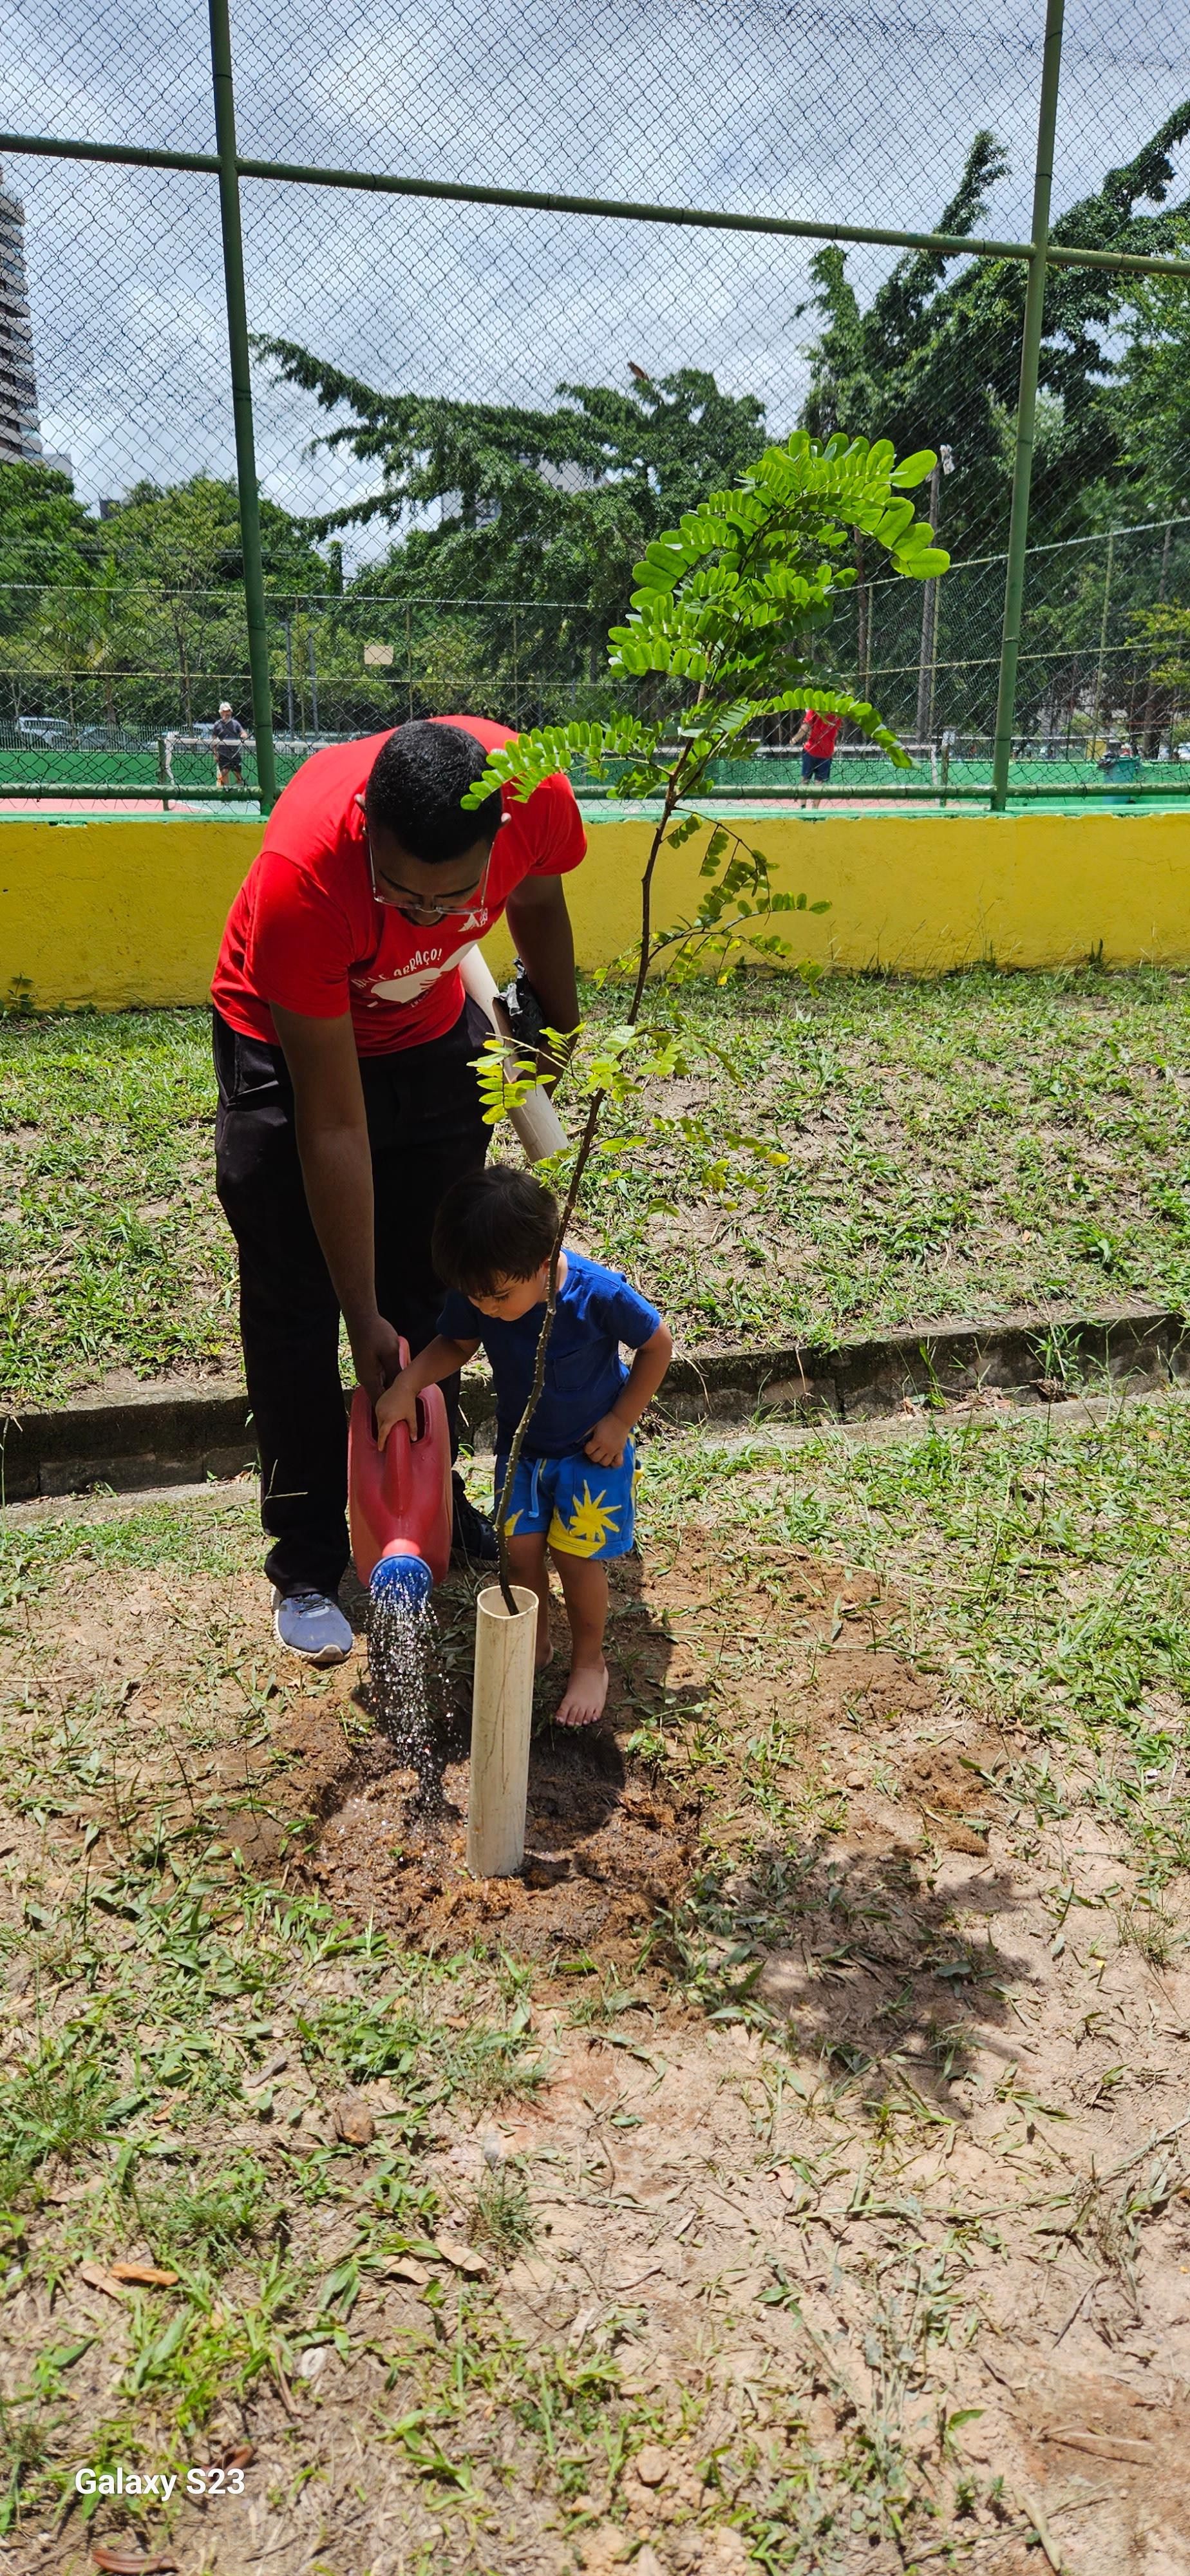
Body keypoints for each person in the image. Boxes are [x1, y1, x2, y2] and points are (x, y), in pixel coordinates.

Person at [211, 717, 584, 1665]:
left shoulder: (532, 792)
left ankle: (428, 1506)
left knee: (437, 1284)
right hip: (286, 1039)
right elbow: (333, 1121)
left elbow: (539, 902)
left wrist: (558, 1028)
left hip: (431, 1030)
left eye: (451, 899)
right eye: (401, 893)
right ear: (366, 824)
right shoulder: (305, 875)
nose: (426, 920)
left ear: (497, 835)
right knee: (297, 1302)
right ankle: (304, 1563)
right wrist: (359, 1308)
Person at [377, 1168, 672, 1727]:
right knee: (519, 1552)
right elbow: (456, 1342)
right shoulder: (485, 1287)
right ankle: (534, 1641)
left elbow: (658, 1345)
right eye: (476, 1297)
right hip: (522, 1455)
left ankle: (589, 1661)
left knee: (576, 1559)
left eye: (499, 1297)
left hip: (592, 1457)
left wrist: (619, 1422)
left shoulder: (597, 1295)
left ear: (544, 1263)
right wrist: (407, 1384)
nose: (486, 1308)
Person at [791, 707, 841, 806]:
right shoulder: (837, 712)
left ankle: (803, 809)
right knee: (819, 783)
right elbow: (835, 732)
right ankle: (815, 810)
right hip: (827, 752)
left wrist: (794, 740)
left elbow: (806, 727)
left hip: (811, 750)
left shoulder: (814, 709)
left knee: (805, 780)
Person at [212, 701, 247, 789]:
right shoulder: (217, 725)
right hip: (223, 754)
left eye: (228, 711)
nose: (227, 713)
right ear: (221, 713)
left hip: (235, 753)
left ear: (231, 712)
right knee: (224, 772)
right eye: (224, 711)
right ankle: (227, 790)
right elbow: (214, 740)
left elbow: (243, 733)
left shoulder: (236, 724)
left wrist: (243, 736)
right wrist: (215, 754)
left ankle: (239, 782)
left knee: (238, 774)